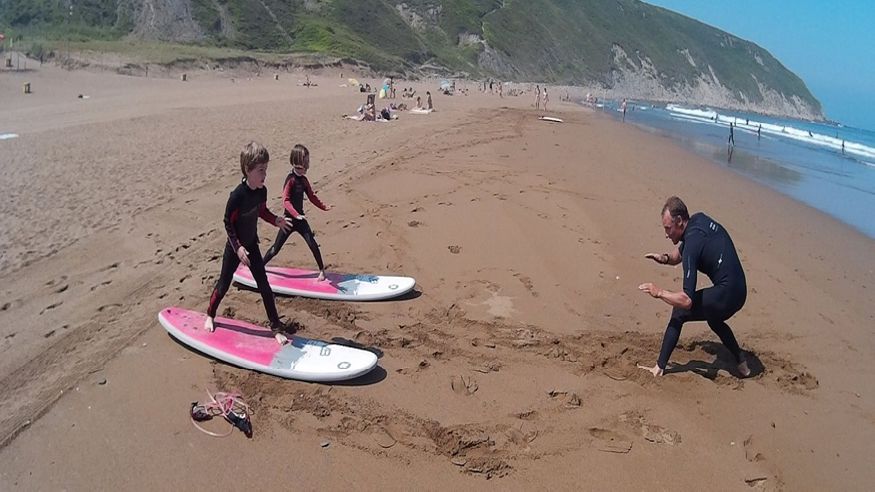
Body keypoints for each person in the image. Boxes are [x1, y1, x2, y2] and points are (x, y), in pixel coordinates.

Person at [638, 196, 751, 378]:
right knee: (713, 318)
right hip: (740, 290)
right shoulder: (698, 221)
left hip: (727, 294)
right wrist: (665, 258)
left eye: (668, 228)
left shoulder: (692, 245)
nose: (666, 234)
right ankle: (742, 364)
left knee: (679, 312)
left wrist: (658, 292)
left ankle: (659, 368)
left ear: (680, 221)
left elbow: (686, 300)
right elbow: (680, 253)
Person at [205, 142, 293, 344]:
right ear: (248, 169)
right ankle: (210, 314)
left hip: (252, 246)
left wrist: (276, 220)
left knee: (265, 287)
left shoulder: (261, 191)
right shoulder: (237, 196)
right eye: (261, 170)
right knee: (223, 285)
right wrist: (238, 248)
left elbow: (261, 211)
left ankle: (276, 328)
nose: (265, 174)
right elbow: (228, 223)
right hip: (235, 249)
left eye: (266, 169)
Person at [263, 144, 332, 281]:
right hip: (288, 221)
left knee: (312, 243)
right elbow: (286, 201)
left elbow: (312, 196)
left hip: (300, 221)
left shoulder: (304, 181)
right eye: (306, 160)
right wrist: (295, 214)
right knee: (275, 249)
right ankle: (260, 266)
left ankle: (321, 271)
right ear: (300, 163)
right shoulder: (291, 180)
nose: (308, 164)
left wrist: (324, 207)